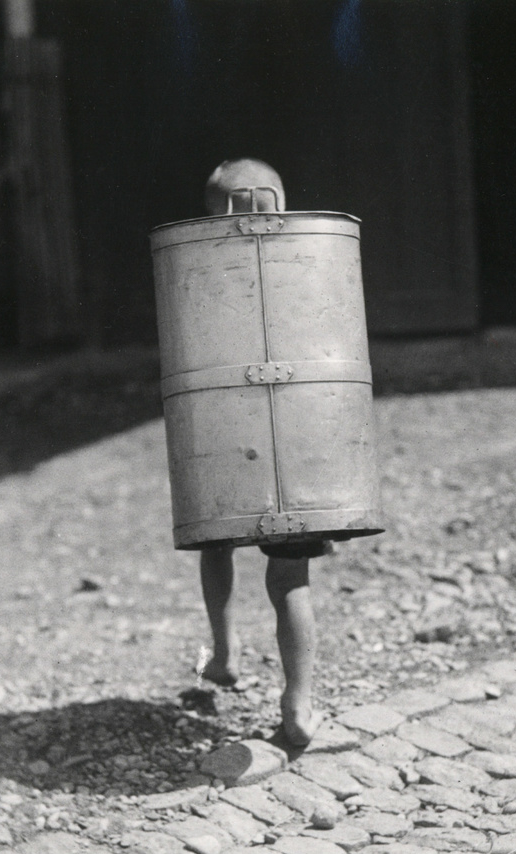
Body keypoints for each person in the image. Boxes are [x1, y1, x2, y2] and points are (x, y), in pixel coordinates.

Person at [197, 159, 328, 747]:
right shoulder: (308, 259)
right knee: (290, 577)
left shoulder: (199, 263)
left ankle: (224, 652)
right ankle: (297, 702)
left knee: (216, 534)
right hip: (291, 425)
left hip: (223, 418)